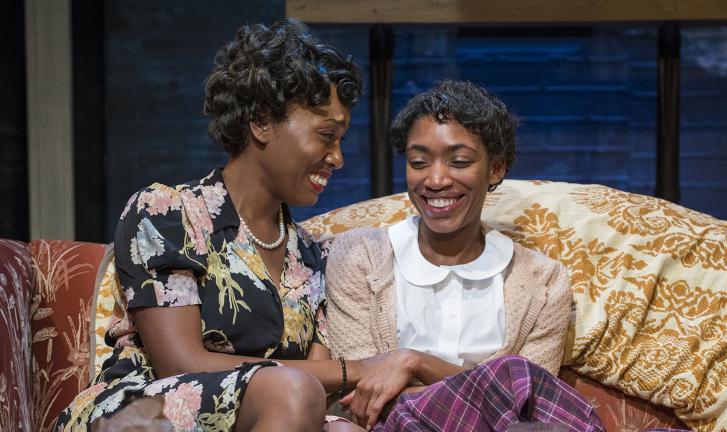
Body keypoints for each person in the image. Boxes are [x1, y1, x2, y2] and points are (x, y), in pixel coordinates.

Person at [58, 19, 390, 432]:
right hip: (139, 414)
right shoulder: (166, 213)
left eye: (342, 139)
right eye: (326, 134)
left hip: (266, 414)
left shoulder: (308, 254)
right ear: (262, 122)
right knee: (294, 390)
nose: (337, 157)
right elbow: (180, 363)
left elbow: (314, 378)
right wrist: (357, 369)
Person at [325, 80, 604, 431]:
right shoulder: (358, 256)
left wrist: (413, 362)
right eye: (419, 162)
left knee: (518, 378)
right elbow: (363, 392)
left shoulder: (543, 282)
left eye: (459, 161)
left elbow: (532, 404)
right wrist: (481, 389)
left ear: (496, 169)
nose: (436, 179)